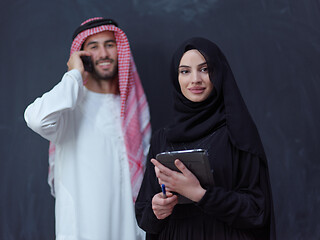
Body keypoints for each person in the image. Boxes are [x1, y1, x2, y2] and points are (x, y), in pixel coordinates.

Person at [135, 37, 276, 239]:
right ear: (176, 78)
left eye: (204, 69)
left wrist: (200, 194)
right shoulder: (162, 139)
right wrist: (157, 209)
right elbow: (144, 217)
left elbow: (258, 210)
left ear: (218, 74)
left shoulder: (237, 133)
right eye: (185, 71)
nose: (195, 80)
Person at [24, 17, 151, 240]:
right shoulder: (69, 106)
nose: (103, 53)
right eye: (93, 46)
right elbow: (36, 119)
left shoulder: (133, 109)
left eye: (110, 44)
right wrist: (73, 76)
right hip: (83, 230)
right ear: (81, 56)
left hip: (129, 229)